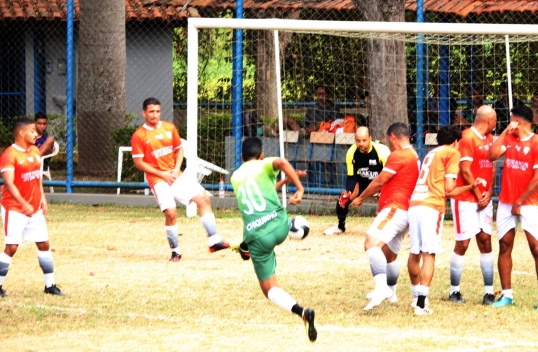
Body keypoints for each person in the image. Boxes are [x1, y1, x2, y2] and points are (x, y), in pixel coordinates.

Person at [230, 137, 316, 342]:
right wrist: (297, 186)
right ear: (261, 155)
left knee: (269, 289)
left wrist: (289, 180)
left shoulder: (235, 177)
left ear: (241, 157)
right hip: (280, 225)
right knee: (273, 229)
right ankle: (247, 247)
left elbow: (258, 192)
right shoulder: (264, 165)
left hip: (257, 237)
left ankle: (301, 311)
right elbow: (282, 163)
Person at [131, 98, 229, 261]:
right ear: (144, 113)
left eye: (157, 111)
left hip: (176, 175)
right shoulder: (139, 135)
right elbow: (139, 162)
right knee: (171, 212)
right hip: (158, 180)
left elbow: (179, 150)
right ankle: (175, 251)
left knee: (203, 198)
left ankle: (214, 241)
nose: (155, 115)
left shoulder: (170, 128)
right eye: (151, 112)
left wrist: (176, 170)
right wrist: (163, 175)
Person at [407, 125, 477, 315]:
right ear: (456, 141)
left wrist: (469, 186)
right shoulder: (452, 153)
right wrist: (469, 187)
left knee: (415, 252)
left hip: (415, 203)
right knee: (429, 253)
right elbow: (448, 189)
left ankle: (415, 297)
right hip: (431, 206)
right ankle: (422, 304)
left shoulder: (431, 153)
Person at [488, 104, 538, 311]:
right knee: (505, 246)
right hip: (506, 202)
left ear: (519, 120)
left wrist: (520, 202)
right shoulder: (509, 138)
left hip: (528, 204)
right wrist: (506, 130)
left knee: (537, 248)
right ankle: (507, 295)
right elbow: (492, 155)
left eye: (511, 119)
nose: (509, 122)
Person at [351, 122, 420, 311]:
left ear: (392, 137)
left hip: (395, 209)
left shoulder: (398, 155)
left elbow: (380, 181)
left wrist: (360, 197)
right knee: (388, 255)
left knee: (371, 244)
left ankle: (381, 288)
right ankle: (392, 291)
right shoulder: (414, 154)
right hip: (405, 210)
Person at [0, 117, 63, 297]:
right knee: (11, 247)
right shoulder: (9, 155)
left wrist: (41, 196)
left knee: (44, 244)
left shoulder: (35, 151)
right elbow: (9, 184)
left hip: (34, 209)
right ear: (21, 133)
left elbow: (36, 177)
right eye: (33, 131)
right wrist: (23, 203)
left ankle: (50, 285)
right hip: (14, 209)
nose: (36, 134)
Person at [449, 104, 497, 306]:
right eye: (495, 119)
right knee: (463, 243)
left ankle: (489, 292)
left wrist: (490, 191)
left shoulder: (489, 139)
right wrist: (478, 195)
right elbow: (465, 170)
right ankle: (454, 291)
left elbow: (492, 166)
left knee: (485, 241)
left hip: (484, 198)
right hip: (466, 199)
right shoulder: (467, 137)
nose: (496, 123)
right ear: (489, 121)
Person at [323, 126, 390, 236]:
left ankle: (387, 229)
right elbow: (351, 177)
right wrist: (351, 192)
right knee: (344, 197)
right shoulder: (351, 152)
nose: (361, 144)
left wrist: (364, 197)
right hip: (362, 182)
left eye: (364, 140)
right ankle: (340, 227)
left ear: (370, 138)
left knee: (386, 202)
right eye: (358, 141)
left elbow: (386, 177)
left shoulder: (382, 151)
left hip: (380, 183)